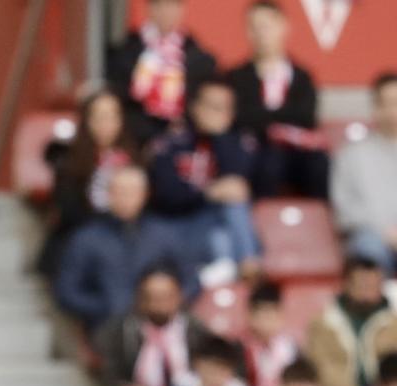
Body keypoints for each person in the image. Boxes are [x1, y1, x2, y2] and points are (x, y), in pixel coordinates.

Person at [146, 77, 260, 284]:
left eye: (222, 108)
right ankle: (246, 262)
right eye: (210, 106)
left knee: (228, 220)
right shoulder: (171, 143)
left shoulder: (240, 142)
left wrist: (221, 136)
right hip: (179, 223)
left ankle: (240, 269)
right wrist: (206, 193)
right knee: (222, 236)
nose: (215, 114)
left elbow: (239, 183)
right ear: (194, 107)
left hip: (216, 223)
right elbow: (166, 195)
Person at [53, 164, 190, 330]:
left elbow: (191, 280)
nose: (126, 198)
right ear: (109, 195)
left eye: (132, 191)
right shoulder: (86, 238)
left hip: (162, 327)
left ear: (145, 195)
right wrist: (104, 306)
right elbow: (67, 291)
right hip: (107, 330)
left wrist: (164, 303)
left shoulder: (165, 234)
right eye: (119, 191)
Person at [226, 0, 328, 199]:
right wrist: (280, 120)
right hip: (256, 156)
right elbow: (240, 118)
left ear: (284, 27)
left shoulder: (302, 76)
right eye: (253, 27)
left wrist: (266, 119)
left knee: (320, 164)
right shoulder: (236, 77)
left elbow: (306, 117)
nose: (261, 34)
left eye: (266, 26)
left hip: (299, 156)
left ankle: (320, 224)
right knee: (270, 161)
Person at [43, 89, 139, 271]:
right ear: (86, 121)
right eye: (100, 117)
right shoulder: (69, 160)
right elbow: (68, 210)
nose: (106, 124)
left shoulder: (134, 158)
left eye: (113, 116)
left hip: (126, 237)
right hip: (83, 236)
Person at [106, 0, 217, 144]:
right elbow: (118, 95)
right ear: (149, 8)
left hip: (183, 139)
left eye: (171, 5)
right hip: (135, 138)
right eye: (159, 5)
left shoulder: (199, 57)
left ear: (181, 9)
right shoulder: (125, 51)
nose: (165, 12)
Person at [307, 257, 397, 386]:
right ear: (346, 284)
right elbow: (322, 370)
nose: (368, 293)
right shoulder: (323, 324)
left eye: (374, 286)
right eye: (363, 286)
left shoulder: (392, 324)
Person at [333, 74, 397, 274]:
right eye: (384, 103)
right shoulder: (351, 154)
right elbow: (344, 210)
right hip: (371, 239)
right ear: (374, 108)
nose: (391, 111)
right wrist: (385, 232)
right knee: (368, 249)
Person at [240, 281, 299, 386]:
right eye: (262, 315)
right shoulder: (241, 349)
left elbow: (298, 385)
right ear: (251, 316)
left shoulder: (291, 349)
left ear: (281, 315)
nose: (268, 322)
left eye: (272, 315)